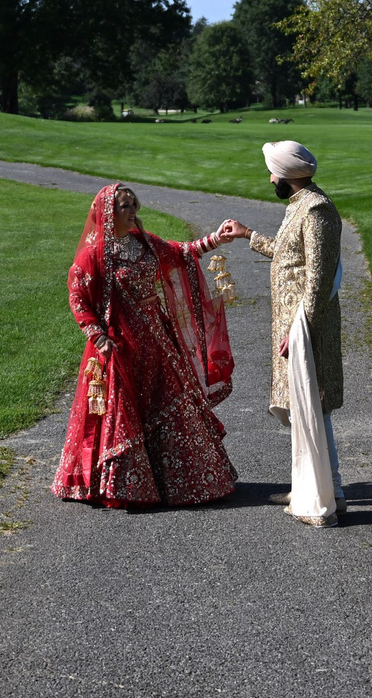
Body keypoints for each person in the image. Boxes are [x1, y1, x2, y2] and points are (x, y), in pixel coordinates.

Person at [50, 183, 255, 509]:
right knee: (123, 413)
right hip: (118, 346)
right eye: (125, 207)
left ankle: (181, 483)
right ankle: (125, 486)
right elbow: (78, 297)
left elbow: (178, 252)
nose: (133, 212)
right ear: (107, 213)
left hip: (157, 340)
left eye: (134, 205)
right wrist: (97, 336)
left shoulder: (143, 243)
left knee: (173, 402)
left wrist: (216, 239)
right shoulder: (94, 255)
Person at [252, 140, 344, 523]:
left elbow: (320, 278)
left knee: (313, 405)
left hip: (307, 328)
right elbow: (291, 257)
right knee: (300, 408)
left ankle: (328, 494)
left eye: (272, 171)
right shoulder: (299, 206)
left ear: (285, 176)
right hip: (294, 326)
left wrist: (299, 328)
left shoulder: (317, 209)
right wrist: (248, 236)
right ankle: (313, 484)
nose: (269, 177)